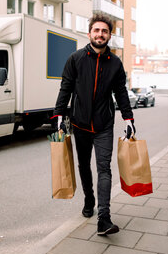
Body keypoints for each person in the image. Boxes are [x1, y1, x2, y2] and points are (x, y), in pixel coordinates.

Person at [52, 13, 135, 236]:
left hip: (104, 125)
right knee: (83, 166)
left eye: (104, 31)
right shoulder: (76, 59)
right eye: (97, 30)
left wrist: (129, 119)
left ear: (109, 35)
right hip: (79, 124)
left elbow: (121, 93)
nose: (100, 34)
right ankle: (89, 199)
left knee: (104, 168)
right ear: (89, 33)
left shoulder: (115, 63)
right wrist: (59, 117)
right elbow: (65, 88)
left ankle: (104, 218)